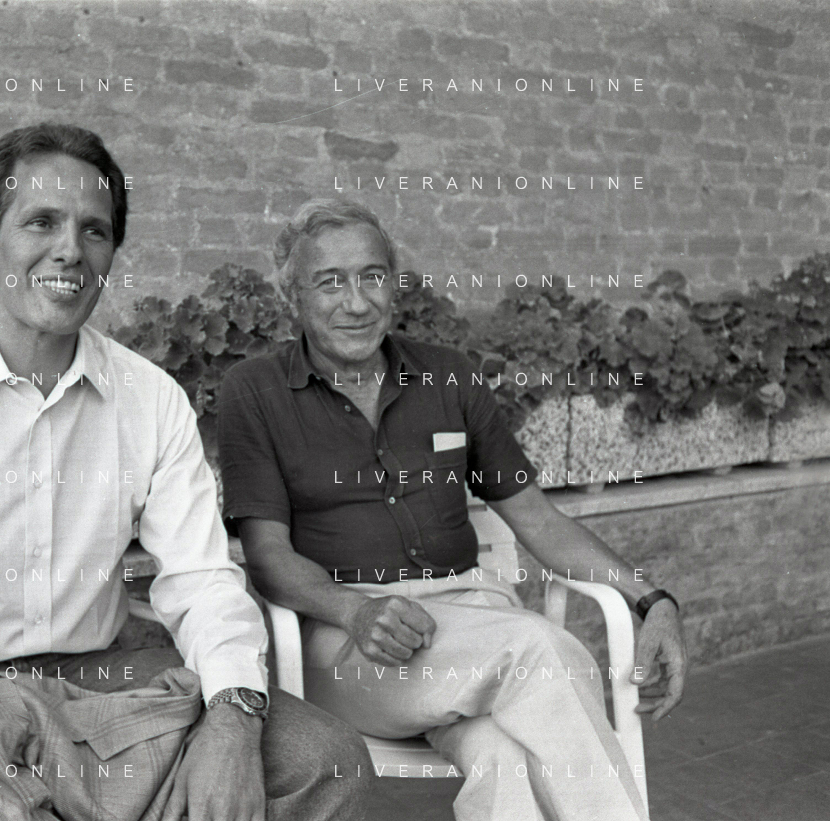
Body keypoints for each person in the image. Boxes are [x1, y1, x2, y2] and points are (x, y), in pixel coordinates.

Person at [0, 126, 371, 821]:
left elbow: (203, 581)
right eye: (41, 222)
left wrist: (233, 716)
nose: (70, 250)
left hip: (103, 686)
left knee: (322, 761)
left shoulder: (149, 398)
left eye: (94, 230)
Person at [216, 198, 688, 821]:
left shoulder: (448, 376)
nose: (356, 303)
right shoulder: (255, 390)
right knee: (540, 652)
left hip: (475, 617)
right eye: (329, 282)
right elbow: (267, 557)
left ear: (394, 284)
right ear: (293, 297)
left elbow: (537, 520)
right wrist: (356, 612)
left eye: (372, 277)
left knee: (501, 753)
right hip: (349, 639)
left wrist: (652, 600)